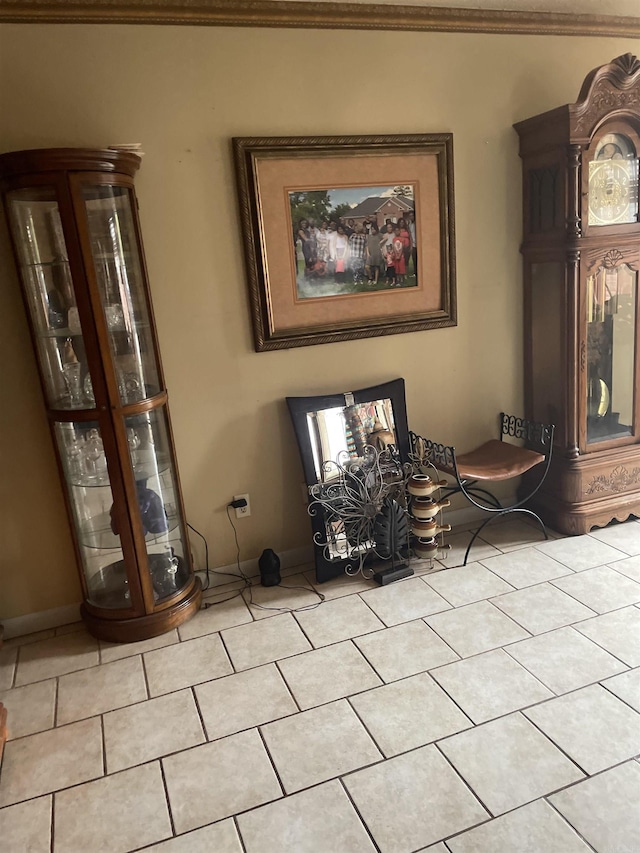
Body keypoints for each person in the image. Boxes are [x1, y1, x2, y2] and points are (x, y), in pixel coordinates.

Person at [407, 209, 417, 276]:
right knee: (414, 259)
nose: (411, 217)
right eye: (410, 216)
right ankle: (415, 273)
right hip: (413, 244)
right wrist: (411, 245)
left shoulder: (417, 223)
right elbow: (410, 235)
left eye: (412, 216)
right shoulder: (410, 224)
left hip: (419, 244)